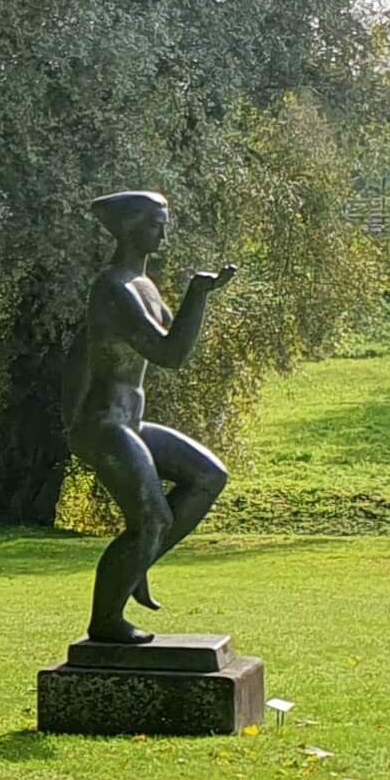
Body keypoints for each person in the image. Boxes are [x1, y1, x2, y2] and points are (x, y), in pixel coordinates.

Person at [62, 190, 236, 645]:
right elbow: (170, 354)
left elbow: (86, 355)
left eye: (165, 223)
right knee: (153, 519)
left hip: (130, 421)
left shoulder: (143, 285)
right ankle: (106, 621)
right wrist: (198, 295)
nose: (164, 233)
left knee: (208, 476)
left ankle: (137, 559)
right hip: (105, 423)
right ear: (128, 227)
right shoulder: (114, 289)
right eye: (156, 224)